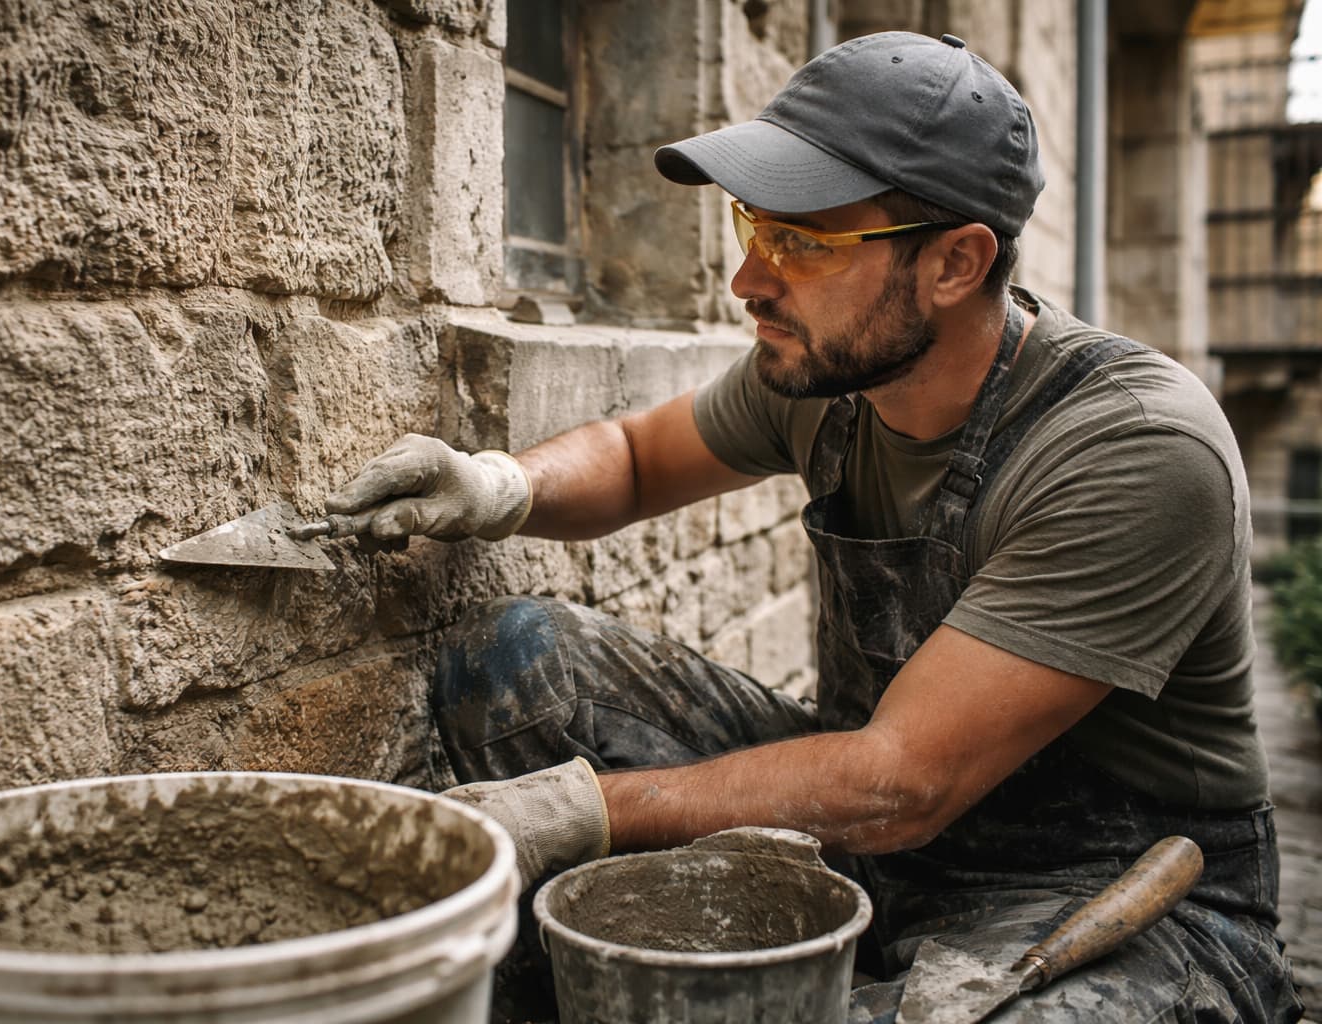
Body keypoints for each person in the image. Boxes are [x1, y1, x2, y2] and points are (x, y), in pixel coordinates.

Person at [322, 31, 1304, 1023]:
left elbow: (902, 779)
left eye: (802, 241)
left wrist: (580, 811)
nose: (750, 278)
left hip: (1122, 897)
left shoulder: (1132, 449)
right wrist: (496, 484)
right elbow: (634, 457)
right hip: (887, 842)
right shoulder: (833, 372)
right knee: (515, 665)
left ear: (956, 263)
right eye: (756, 224)